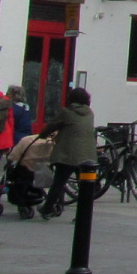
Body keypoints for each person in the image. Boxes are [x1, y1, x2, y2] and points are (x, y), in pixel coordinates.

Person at [37, 87, 95, 219]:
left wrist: (42, 135)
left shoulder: (66, 112)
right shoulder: (90, 113)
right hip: (87, 154)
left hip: (68, 153)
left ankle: (47, 207)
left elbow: (53, 125)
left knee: (59, 181)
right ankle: (83, 214)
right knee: (84, 186)